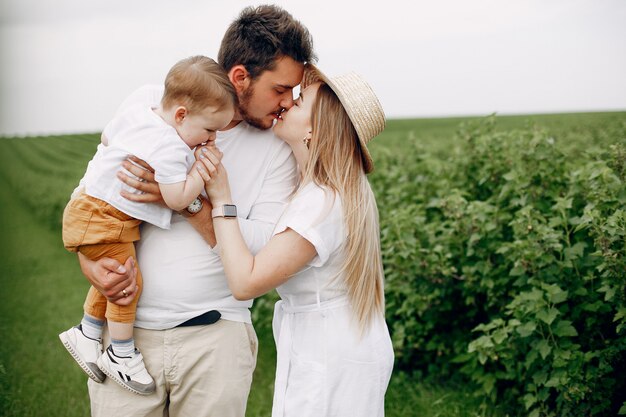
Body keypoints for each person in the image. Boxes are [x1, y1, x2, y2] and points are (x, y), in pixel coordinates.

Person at [73, 5, 315, 417]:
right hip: (127, 334)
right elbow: (94, 190)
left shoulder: (278, 150)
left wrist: (189, 203)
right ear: (241, 78)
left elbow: (260, 251)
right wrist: (88, 262)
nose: (286, 103)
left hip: (216, 339)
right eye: (280, 89)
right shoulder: (153, 104)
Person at [196, 64, 394, 417]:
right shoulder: (322, 190)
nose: (288, 103)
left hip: (329, 352)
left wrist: (220, 197)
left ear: (315, 130)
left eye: (301, 103)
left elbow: (245, 282)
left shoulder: (320, 202)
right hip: (333, 341)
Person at [59, 55, 236, 395]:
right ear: (181, 115)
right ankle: (121, 354)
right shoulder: (170, 147)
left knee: (113, 272)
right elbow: (177, 199)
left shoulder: (140, 114)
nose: (210, 139)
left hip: (90, 207)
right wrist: (201, 170)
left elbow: (108, 137)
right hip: (103, 218)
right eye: (210, 130)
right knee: (128, 281)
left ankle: (88, 330)